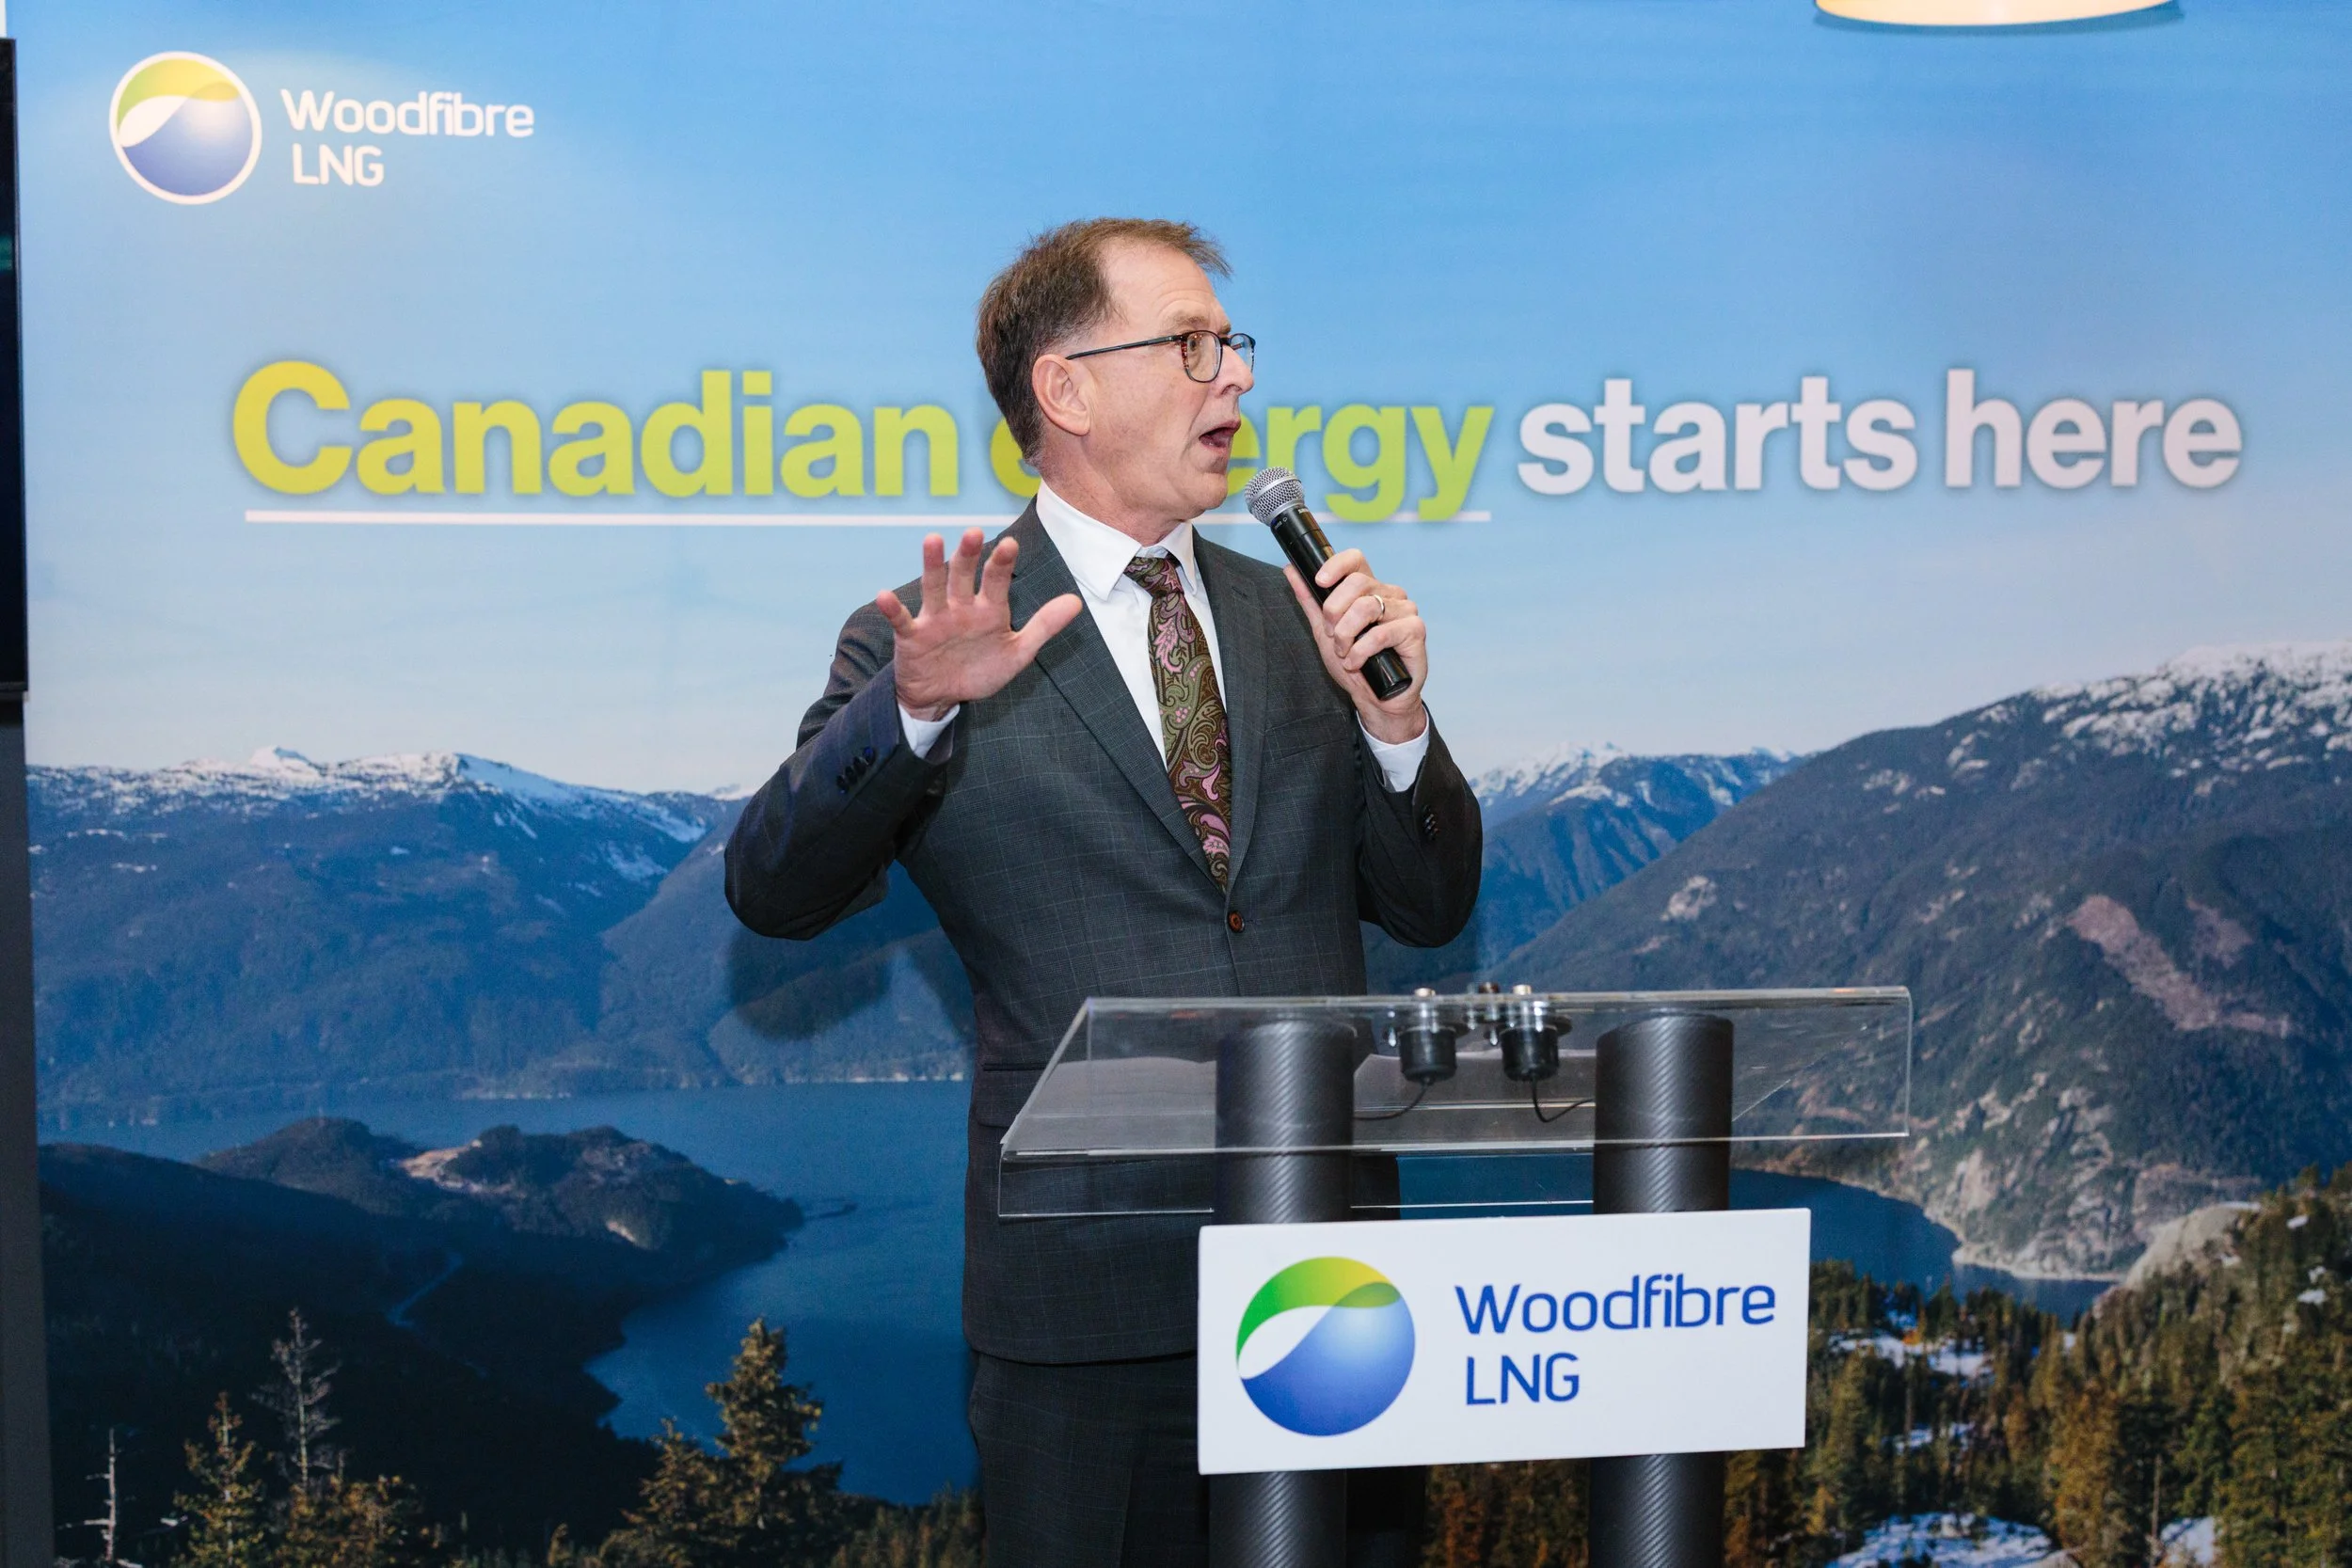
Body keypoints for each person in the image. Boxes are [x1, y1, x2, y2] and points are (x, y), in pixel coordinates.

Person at [724, 217, 1482, 1567]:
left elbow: (1426, 904)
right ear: (1065, 388)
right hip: (1085, 1312)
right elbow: (773, 889)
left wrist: (1399, 721)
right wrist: (906, 713)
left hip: (1333, 1289)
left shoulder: (1296, 612)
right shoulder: (937, 634)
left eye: (1232, 345)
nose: (1234, 379)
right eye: (1193, 345)